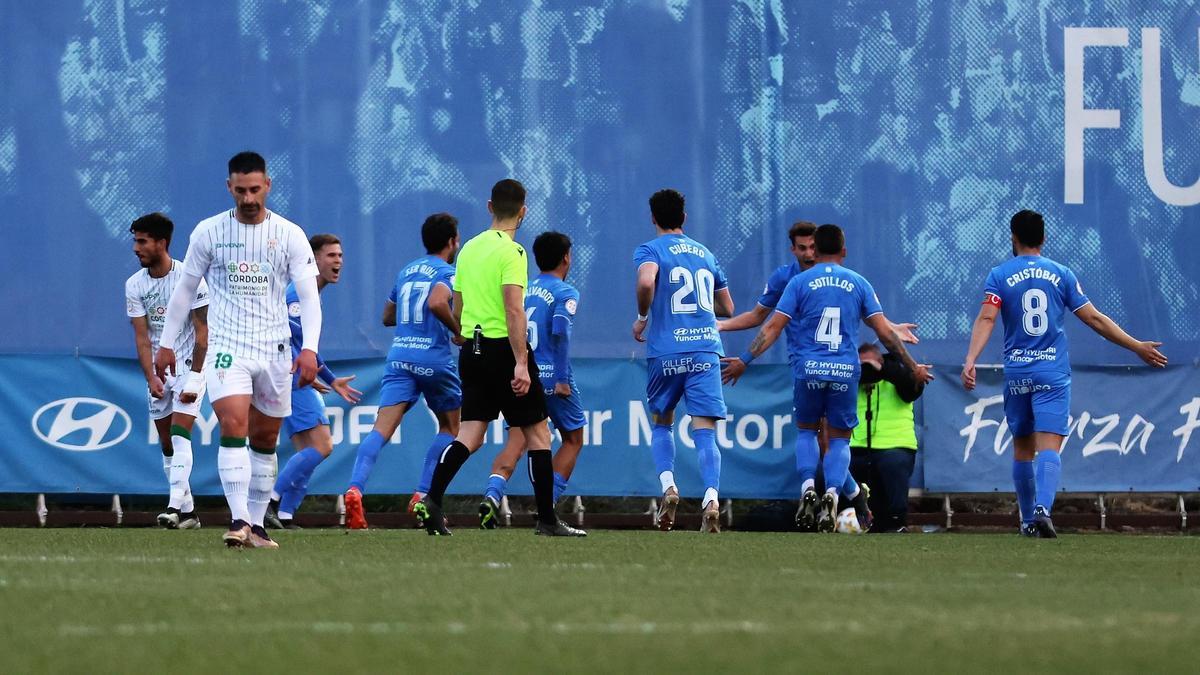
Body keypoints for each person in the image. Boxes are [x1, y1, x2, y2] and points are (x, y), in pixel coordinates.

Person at [961, 210, 1167, 538]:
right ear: (1044, 238)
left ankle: (1027, 522)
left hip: (1018, 372)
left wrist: (971, 359)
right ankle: (1043, 510)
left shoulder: (999, 275)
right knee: (1049, 447)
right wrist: (1136, 346)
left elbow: (987, 318)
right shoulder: (1061, 274)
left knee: (1022, 448)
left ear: (1013, 237)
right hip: (1051, 372)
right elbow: (1094, 319)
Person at [155, 151, 322, 549]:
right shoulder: (209, 232)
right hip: (227, 345)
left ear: (268, 186)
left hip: (274, 347)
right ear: (229, 188)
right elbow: (184, 291)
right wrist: (165, 343)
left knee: (266, 438)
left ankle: (258, 528)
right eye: (241, 190)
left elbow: (309, 297)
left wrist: (310, 349)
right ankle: (239, 520)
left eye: (255, 189)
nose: (248, 198)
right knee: (233, 424)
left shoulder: (290, 234)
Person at [722, 224, 930, 532]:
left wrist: (744, 360)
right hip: (844, 371)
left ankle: (809, 487)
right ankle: (833, 493)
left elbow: (771, 327)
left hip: (808, 369)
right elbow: (885, 333)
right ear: (844, 251)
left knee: (807, 433)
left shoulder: (799, 282)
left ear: (816, 251)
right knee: (838, 439)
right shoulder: (858, 283)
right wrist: (912, 366)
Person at [421, 180, 584, 537]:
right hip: (502, 350)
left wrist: (466, 334)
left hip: (472, 349)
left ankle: (431, 499)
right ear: (523, 211)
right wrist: (521, 362)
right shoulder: (513, 252)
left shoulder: (469, 249)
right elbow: (513, 309)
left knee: (470, 434)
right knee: (539, 434)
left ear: (489, 206)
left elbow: (458, 307)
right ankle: (547, 520)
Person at [342, 213, 463, 530]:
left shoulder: (407, 271)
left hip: (400, 357)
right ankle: (422, 495)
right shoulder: (448, 272)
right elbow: (437, 303)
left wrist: (411, 317)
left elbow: (387, 316)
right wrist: (458, 330)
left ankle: (354, 489)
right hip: (433, 358)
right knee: (451, 427)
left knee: (380, 430)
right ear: (452, 241)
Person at [632, 188, 734, 533]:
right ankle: (711, 498)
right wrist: (701, 305)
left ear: (653, 218)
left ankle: (668, 487)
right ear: (684, 218)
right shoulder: (705, 253)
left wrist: (643, 315)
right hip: (705, 350)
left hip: (667, 351)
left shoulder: (650, 249)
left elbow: (646, 281)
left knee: (662, 423)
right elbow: (727, 307)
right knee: (705, 431)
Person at [479, 231, 585, 529]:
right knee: (573, 439)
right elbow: (560, 331)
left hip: (522, 373)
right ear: (566, 258)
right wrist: (561, 379)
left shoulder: (522, 289)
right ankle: (546, 506)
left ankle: (491, 495)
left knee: (517, 442)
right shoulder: (565, 292)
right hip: (552, 375)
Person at [265, 234, 361, 529]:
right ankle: (269, 502)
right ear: (314, 259)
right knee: (323, 446)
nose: (338, 261)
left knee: (307, 449)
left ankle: (285, 514)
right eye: (331, 255)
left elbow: (304, 346)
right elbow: (289, 338)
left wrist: (326, 377)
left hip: (292, 376)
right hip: (290, 378)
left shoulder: (310, 293)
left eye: (340, 255)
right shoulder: (297, 293)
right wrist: (316, 375)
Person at [125, 212, 209, 530]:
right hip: (159, 372)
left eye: (142, 241)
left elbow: (203, 332)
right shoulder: (135, 284)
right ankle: (189, 514)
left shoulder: (190, 277)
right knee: (167, 443)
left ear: (162, 243)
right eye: (135, 241)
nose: (136, 248)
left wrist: (197, 376)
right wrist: (151, 377)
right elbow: (141, 337)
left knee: (179, 432)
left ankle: (173, 507)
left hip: (189, 365)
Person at [850, 341, 927, 533]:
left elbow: (911, 388)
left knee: (892, 464)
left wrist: (884, 370)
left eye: (871, 364)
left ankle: (896, 522)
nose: (867, 370)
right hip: (856, 446)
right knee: (834, 468)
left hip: (895, 446)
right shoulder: (850, 379)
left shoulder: (898, 376)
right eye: (862, 365)